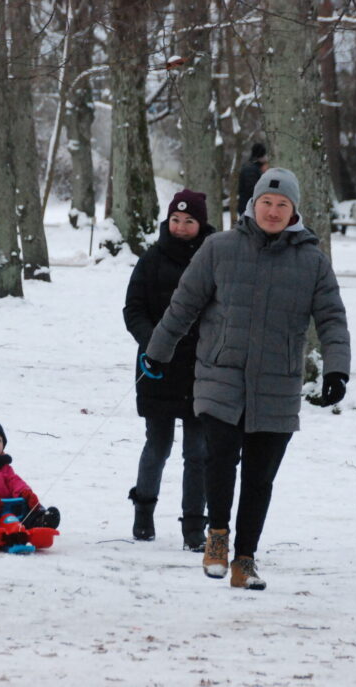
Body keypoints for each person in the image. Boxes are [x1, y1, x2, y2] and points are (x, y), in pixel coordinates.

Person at [142, 167, 350, 590]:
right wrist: (157, 353)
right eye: (266, 203)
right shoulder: (219, 248)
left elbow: (331, 317)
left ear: (294, 212)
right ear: (253, 206)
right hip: (221, 375)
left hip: (278, 382)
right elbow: (184, 304)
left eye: (282, 205)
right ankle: (216, 536)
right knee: (219, 459)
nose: (272, 211)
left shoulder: (311, 261)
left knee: (260, 477)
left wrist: (337, 369)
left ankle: (245, 559)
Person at [123, 189, 216, 551]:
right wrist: (154, 345)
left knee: (198, 452)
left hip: (201, 371)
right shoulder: (151, 260)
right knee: (157, 445)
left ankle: (194, 526)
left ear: (201, 223)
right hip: (157, 369)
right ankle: (143, 511)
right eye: (175, 220)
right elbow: (133, 309)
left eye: (188, 221)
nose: (180, 227)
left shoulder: (214, 259)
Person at [235, 142, 269, 217]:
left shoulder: (252, 167)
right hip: (248, 208)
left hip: (249, 207)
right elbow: (252, 189)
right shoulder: (251, 169)